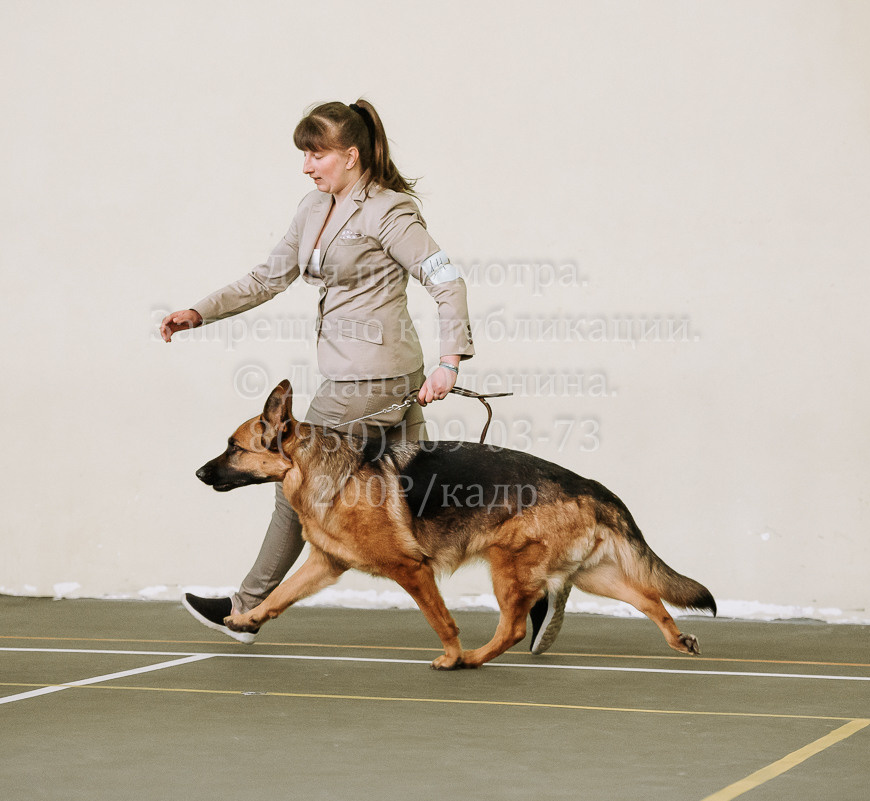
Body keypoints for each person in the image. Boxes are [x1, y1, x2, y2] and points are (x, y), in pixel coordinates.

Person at [159, 99, 568, 655]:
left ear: (350, 155)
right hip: (382, 377)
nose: (307, 165)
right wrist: (200, 311)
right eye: (304, 154)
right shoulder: (313, 207)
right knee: (428, 497)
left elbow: (448, 281)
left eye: (316, 153)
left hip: (365, 384)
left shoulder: (390, 212)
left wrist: (451, 361)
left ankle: (245, 607)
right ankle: (536, 587)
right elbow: (266, 277)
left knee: (293, 479)